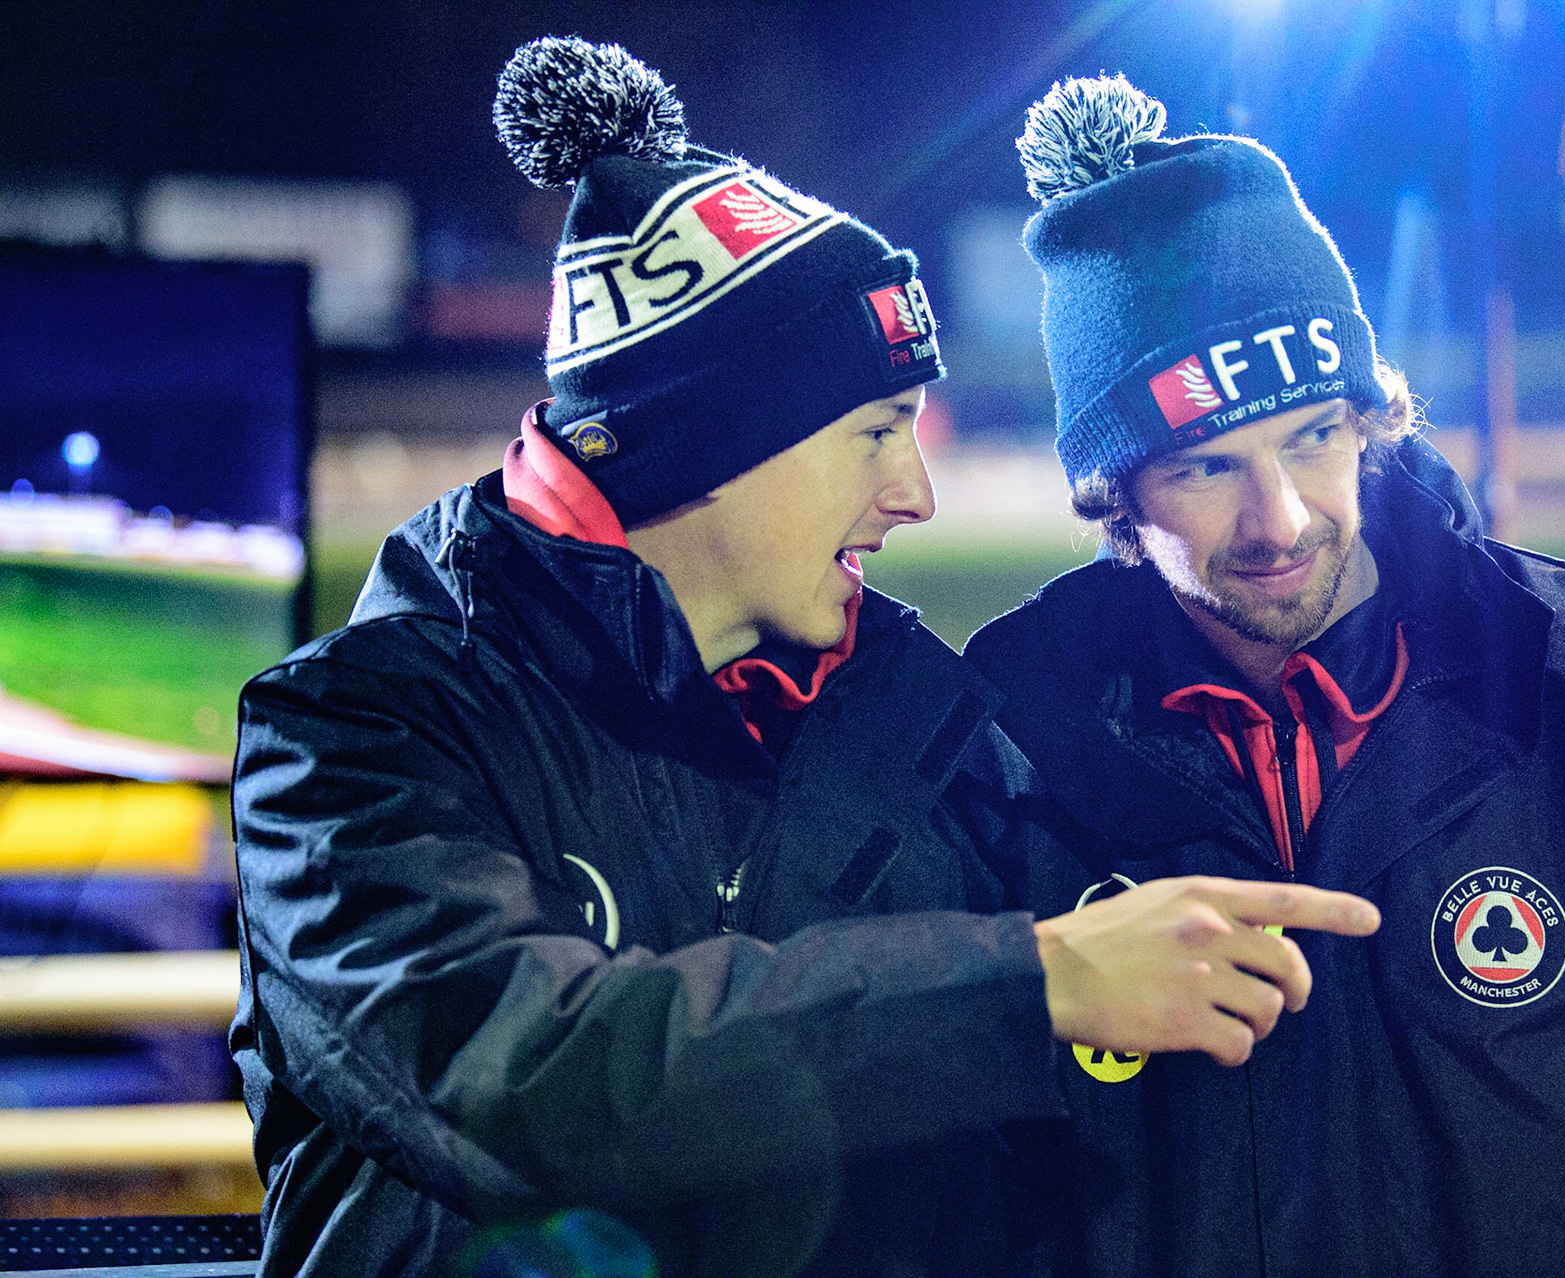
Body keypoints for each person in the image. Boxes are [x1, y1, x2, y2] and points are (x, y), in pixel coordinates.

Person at [228, 42, 1380, 1278]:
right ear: (707, 448)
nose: (916, 493)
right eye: (879, 431)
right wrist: (1020, 988)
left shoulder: (935, 730)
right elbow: (519, 1087)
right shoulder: (350, 734)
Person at [965, 74, 1565, 1276]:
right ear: (1114, 496)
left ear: (1372, 419)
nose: (1281, 518)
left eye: (1313, 436)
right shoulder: (1002, 746)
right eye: (1205, 469)